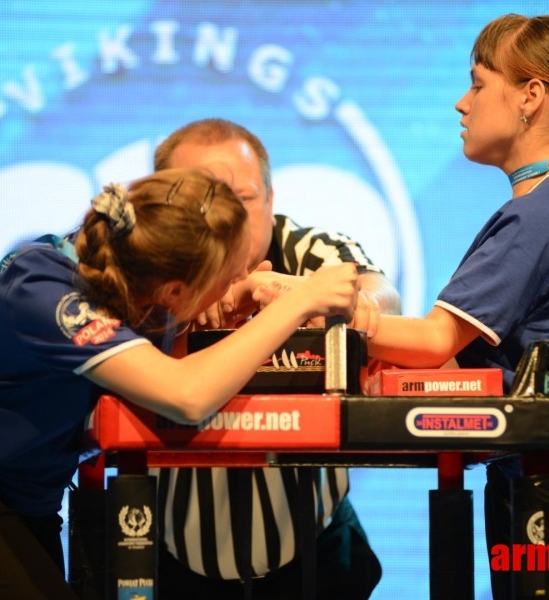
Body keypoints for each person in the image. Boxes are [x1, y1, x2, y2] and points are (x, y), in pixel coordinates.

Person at [0, 168, 359, 600]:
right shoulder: (43, 289)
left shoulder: (134, 288)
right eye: (229, 276)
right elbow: (187, 395)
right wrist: (300, 301)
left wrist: (241, 297)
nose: (236, 285)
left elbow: (172, 365)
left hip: (18, 501)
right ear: (174, 290)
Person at [355, 14, 549, 599]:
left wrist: (325, 312)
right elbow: (474, 358)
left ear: (531, 96)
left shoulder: (539, 211)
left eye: (478, 83)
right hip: (541, 482)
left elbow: (436, 341)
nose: (462, 103)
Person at [148, 118, 401, 598]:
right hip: (171, 548)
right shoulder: (146, 268)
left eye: (241, 200)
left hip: (316, 545)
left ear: (270, 199)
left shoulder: (310, 251)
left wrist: (284, 294)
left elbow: (381, 297)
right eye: (201, 202)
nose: (225, 221)